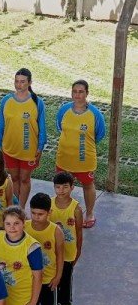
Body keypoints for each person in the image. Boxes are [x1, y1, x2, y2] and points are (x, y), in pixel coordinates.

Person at [55, 79, 106, 227]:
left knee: (87, 185)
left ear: (87, 93)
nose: (77, 95)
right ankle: (64, 212)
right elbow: (60, 127)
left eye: (81, 92)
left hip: (85, 160)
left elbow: (100, 133)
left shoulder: (95, 114)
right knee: (62, 185)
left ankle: (89, 213)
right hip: (64, 157)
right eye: (74, 92)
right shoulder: (64, 110)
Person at [0, 68, 46, 207]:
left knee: (24, 179)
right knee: (15, 178)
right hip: (9, 148)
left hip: (28, 150)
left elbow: (42, 128)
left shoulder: (37, 102)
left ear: (29, 82)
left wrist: (40, 147)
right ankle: (15, 205)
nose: (19, 85)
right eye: (16, 81)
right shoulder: (6, 100)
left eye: (23, 82)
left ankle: (22, 207)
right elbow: (1, 124)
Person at [25, 193, 65, 305]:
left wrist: (58, 276)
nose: (36, 217)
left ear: (49, 213)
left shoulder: (56, 231)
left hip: (48, 279)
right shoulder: (25, 226)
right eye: (33, 213)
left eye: (40, 214)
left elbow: (60, 255)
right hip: (29, 279)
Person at [51, 172, 83, 305]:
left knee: (65, 278)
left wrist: (78, 251)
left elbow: (78, 232)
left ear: (72, 187)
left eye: (65, 187)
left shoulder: (76, 209)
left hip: (69, 252)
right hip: (51, 251)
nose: (61, 190)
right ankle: (55, 301)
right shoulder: (49, 205)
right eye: (58, 187)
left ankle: (65, 303)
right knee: (53, 276)